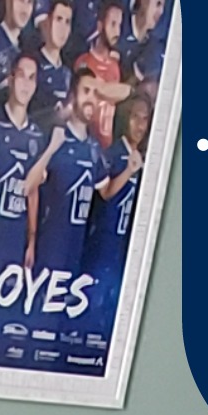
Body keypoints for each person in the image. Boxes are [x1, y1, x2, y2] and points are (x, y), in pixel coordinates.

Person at [28, 64, 137, 290]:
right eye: (86, 91)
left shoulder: (94, 147)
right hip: (48, 249)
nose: (91, 99)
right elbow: (31, 187)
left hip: (76, 249)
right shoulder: (55, 137)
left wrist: (129, 170)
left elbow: (105, 192)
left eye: (96, 94)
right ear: (72, 95)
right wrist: (31, 239)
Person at [81, 90, 149, 329]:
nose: (140, 125)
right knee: (94, 300)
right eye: (135, 117)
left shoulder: (145, 159)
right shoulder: (112, 154)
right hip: (103, 240)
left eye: (145, 119)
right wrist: (129, 170)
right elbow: (106, 192)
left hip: (125, 245)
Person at [0, 49, 47, 273]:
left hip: (16, 240)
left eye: (31, 78)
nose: (25, 84)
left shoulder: (37, 136)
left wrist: (31, 240)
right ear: (10, 78)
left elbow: (33, 192)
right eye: (21, 75)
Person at [74, 0, 132, 148]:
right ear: (100, 26)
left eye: (119, 25)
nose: (116, 31)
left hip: (106, 147)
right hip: (88, 143)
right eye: (112, 24)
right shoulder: (84, 62)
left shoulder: (115, 66)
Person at [119, 0, 170, 101]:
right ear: (144, 0)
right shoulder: (120, 24)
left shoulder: (152, 47)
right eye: (157, 4)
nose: (160, 11)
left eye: (162, 6)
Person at [33, 0, 75, 125]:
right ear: (48, 22)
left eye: (67, 22)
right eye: (59, 19)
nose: (63, 28)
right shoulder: (33, 64)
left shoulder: (67, 73)